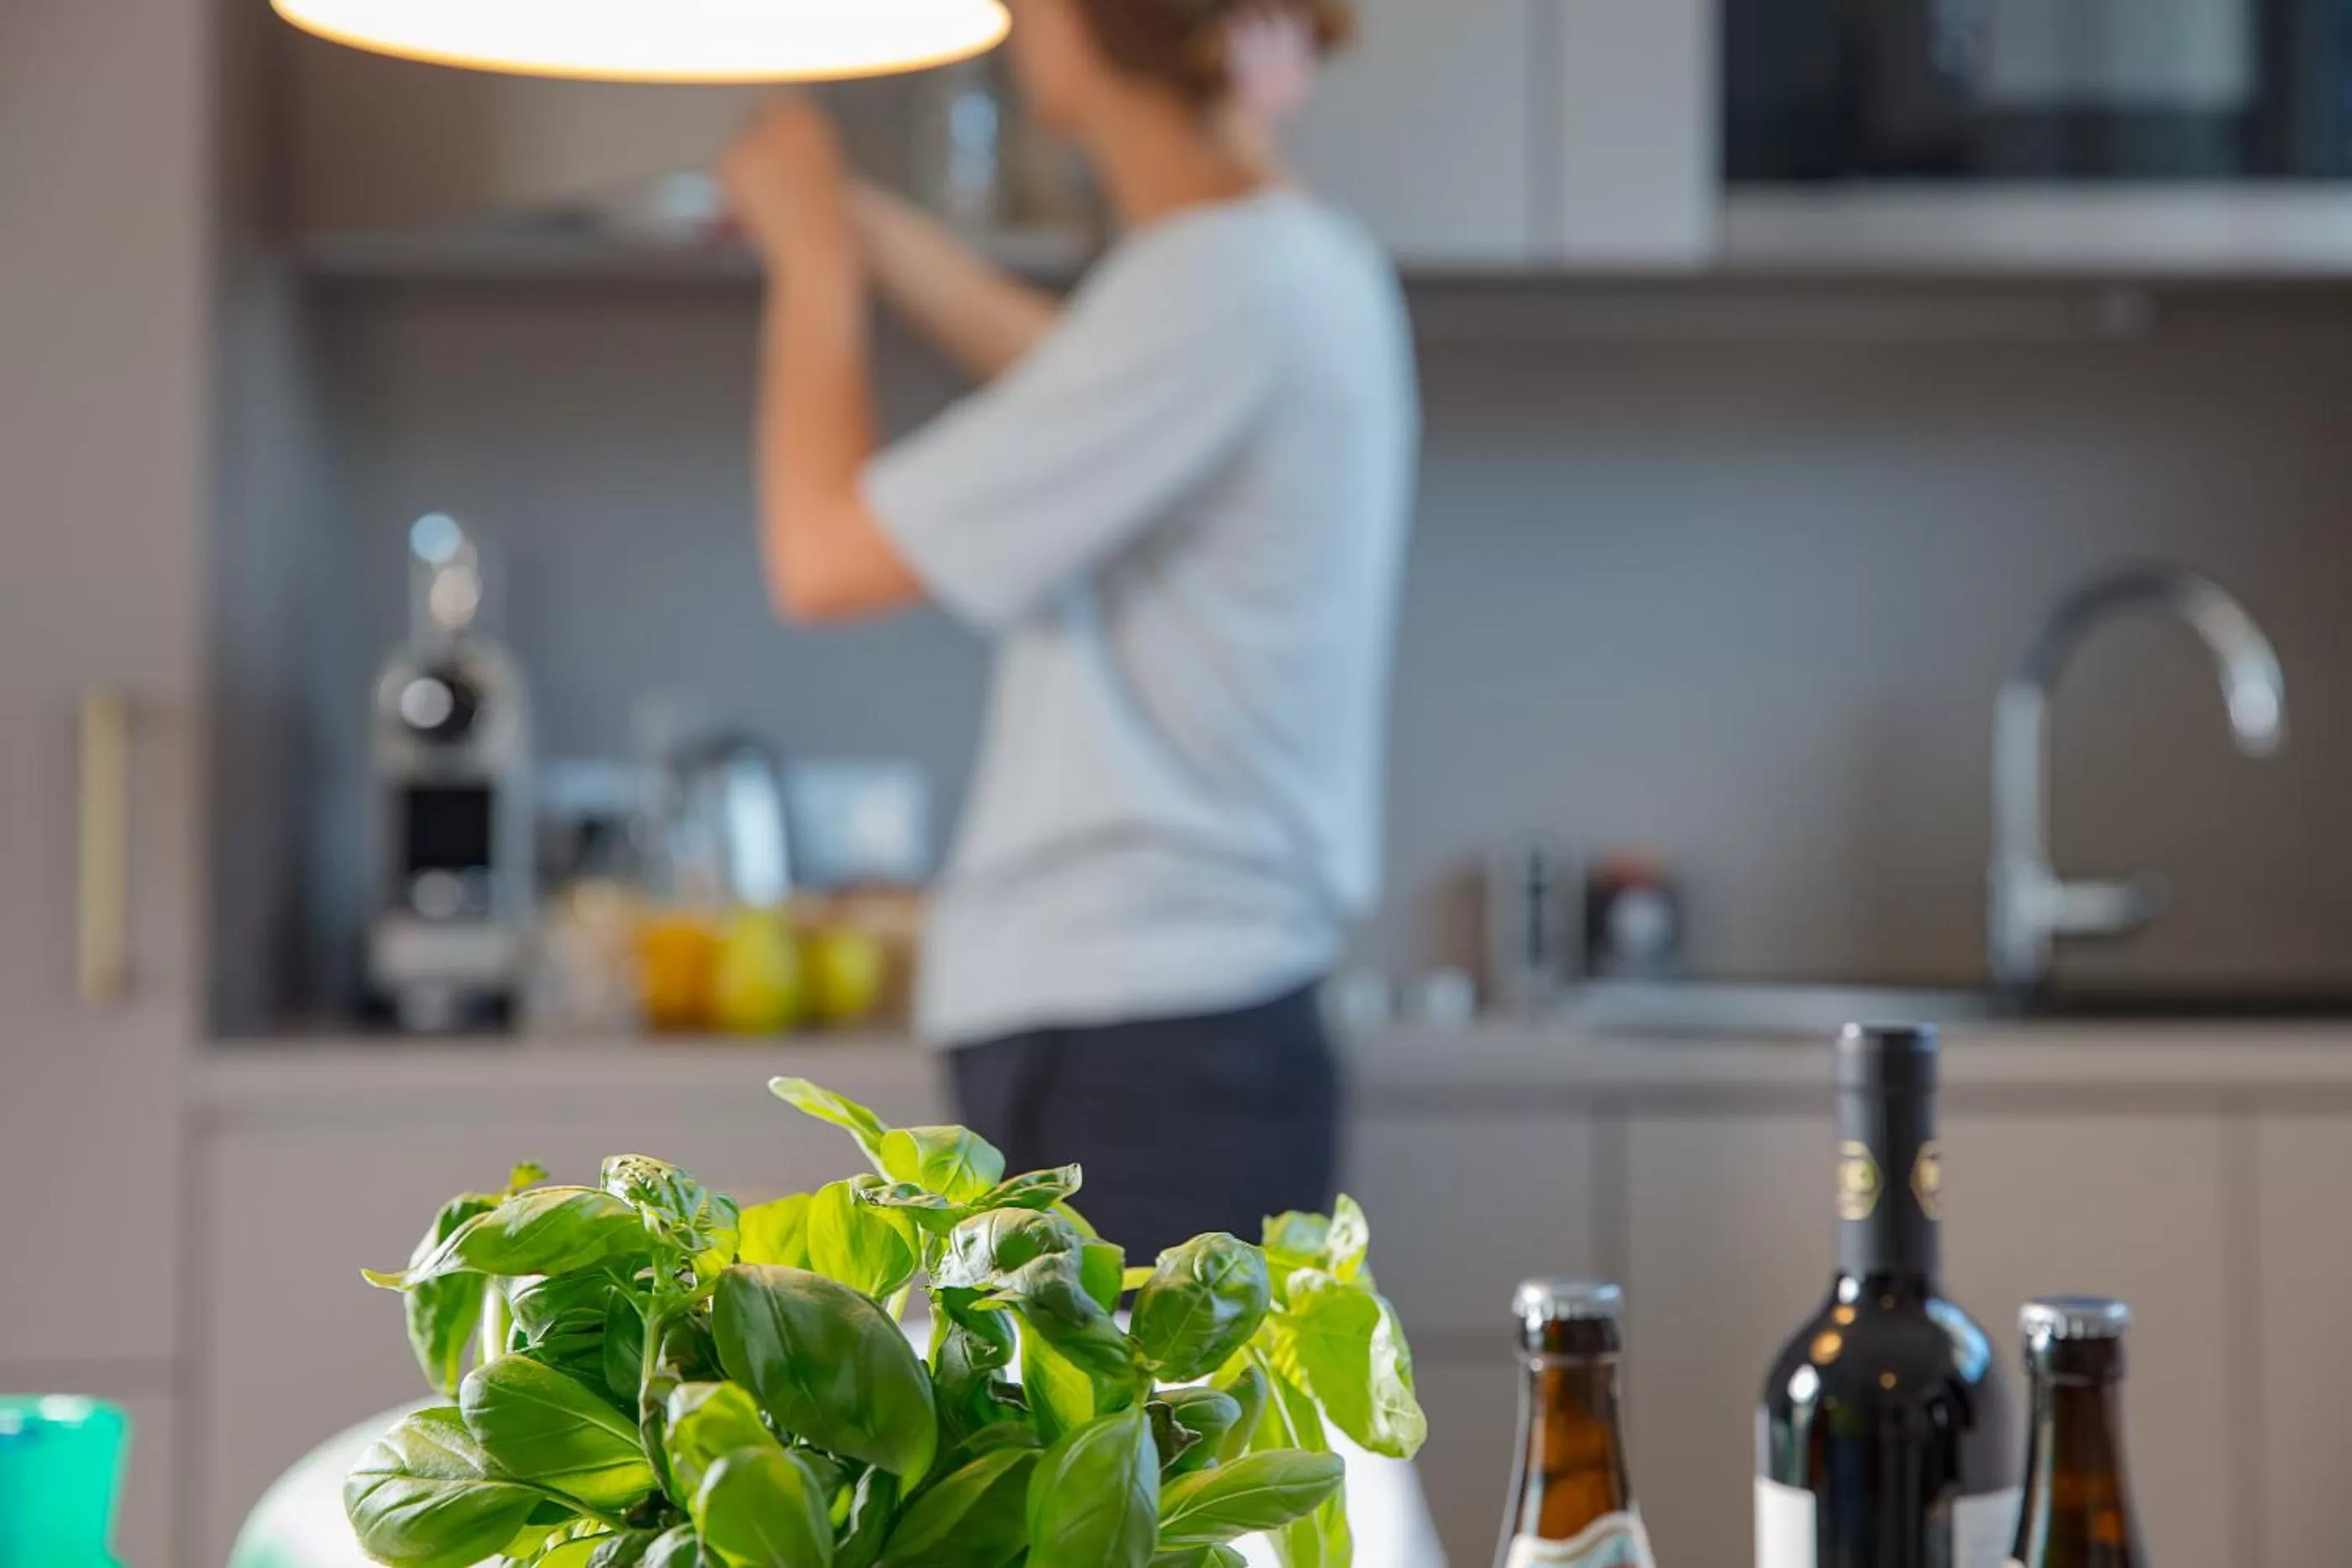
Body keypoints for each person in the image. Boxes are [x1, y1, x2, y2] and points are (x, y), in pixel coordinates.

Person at [720, 0, 1417, 1260]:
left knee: (1131, 1460)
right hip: (1177, 1036)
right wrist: (874, 230)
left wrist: (813, 265)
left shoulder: (1216, 284)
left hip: (1146, 1049)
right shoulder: (1277, 269)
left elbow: (816, 556)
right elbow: (1083, 381)